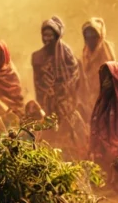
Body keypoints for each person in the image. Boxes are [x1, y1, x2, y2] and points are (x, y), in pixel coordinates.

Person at [31, 16, 83, 149]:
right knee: (48, 135)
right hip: (46, 102)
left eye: (50, 35)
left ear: (57, 36)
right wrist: (46, 94)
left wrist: (61, 91)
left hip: (65, 103)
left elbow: (74, 76)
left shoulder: (66, 54)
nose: (47, 39)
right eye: (44, 35)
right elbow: (37, 83)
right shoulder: (37, 57)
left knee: (68, 136)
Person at [78, 18, 115, 117]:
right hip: (88, 97)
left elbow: (111, 76)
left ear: (100, 36)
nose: (90, 40)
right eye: (87, 37)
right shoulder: (85, 52)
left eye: (94, 36)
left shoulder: (106, 52)